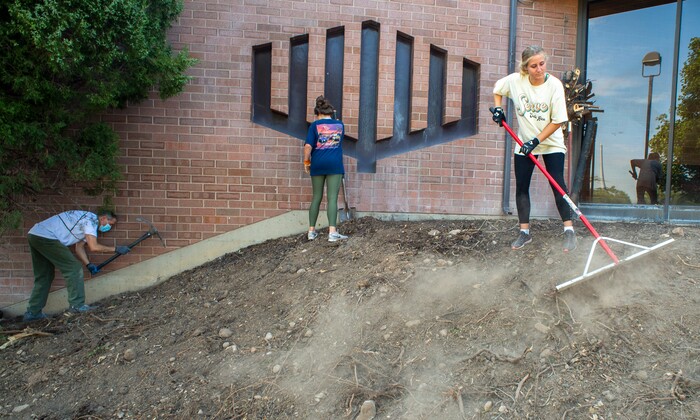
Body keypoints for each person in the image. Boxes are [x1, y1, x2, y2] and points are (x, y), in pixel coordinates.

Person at [491, 45, 576, 252]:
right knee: (522, 186)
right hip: (524, 142)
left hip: (550, 142)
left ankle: (569, 230)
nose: (539, 69)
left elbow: (557, 121)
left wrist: (536, 141)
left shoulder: (554, 85)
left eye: (542, 64)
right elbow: (497, 89)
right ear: (525, 68)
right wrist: (499, 110)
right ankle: (524, 233)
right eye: (533, 66)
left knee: (557, 184)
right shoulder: (515, 81)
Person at [23, 209, 131, 321]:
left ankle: (33, 313)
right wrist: (116, 249)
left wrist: (88, 264)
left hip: (35, 234)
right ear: (103, 218)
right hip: (47, 237)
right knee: (73, 269)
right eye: (110, 224)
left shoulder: (87, 221)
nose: (109, 227)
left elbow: (79, 247)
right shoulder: (91, 221)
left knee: (44, 276)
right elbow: (94, 247)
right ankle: (77, 306)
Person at [304, 96, 348, 242]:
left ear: (318, 114)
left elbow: (308, 146)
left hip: (317, 164)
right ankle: (332, 232)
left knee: (316, 197)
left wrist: (306, 161)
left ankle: (311, 231)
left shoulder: (314, 125)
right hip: (334, 164)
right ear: (330, 112)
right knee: (332, 198)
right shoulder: (340, 125)